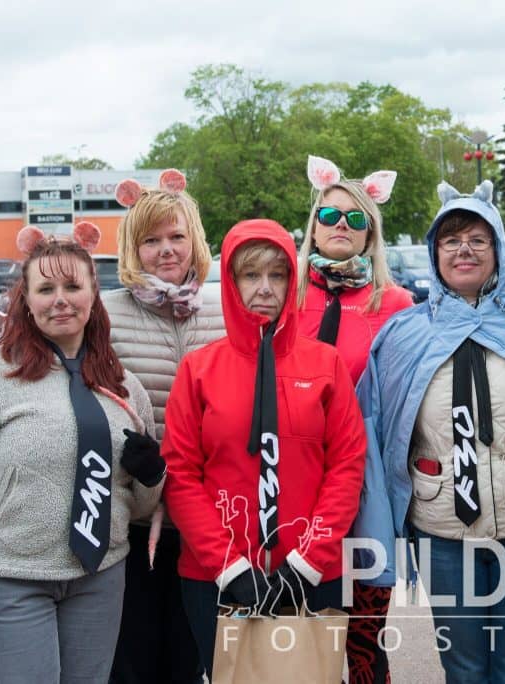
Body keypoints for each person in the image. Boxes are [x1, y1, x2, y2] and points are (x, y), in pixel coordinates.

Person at [352, 180, 505, 683]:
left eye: (478, 238)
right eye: (451, 240)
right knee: (464, 664)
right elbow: (374, 431)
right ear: (435, 254)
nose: (464, 250)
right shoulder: (402, 335)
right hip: (443, 531)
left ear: (499, 247)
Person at [0, 223, 165, 682]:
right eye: (45, 288)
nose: (60, 299)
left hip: (100, 577)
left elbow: (137, 504)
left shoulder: (123, 388)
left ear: (94, 295)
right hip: (12, 579)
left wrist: (152, 476)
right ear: (26, 302)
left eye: (73, 286)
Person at [162, 219, 367, 678]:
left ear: (292, 282)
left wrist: (308, 560)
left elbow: (347, 466)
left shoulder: (324, 363)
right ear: (231, 283)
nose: (264, 288)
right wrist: (228, 566)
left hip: (312, 573)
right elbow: (181, 475)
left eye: (277, 275)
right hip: (217, 577)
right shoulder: (199, 370)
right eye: (250, 275)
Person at [103, 169, 223, 684]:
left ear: (194, 240)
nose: (166, 250)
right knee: (133, 664)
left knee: (192, 661)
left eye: (176, 237)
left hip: (210, 521)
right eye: (151, 241)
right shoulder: (106, 314)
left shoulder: (226, 309)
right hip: (134, 523)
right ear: (133, 249)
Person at [295, 155, 411, 683]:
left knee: (364, 642)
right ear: (313, 226)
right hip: (297, 489)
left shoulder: (398, 305)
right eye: (331, 215)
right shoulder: (286, 300)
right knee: (303, 637)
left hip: (369, 492)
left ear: (371, 234)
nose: (342, 225)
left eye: (357, 218)